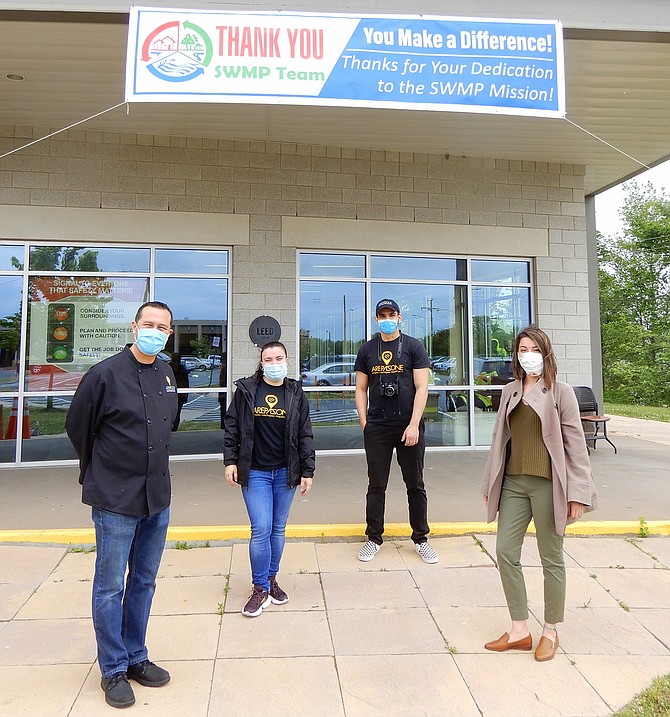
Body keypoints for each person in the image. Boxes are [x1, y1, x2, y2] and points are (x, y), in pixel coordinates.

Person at [66, 301, 178, 709]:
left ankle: (135, 656)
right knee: (110, 586)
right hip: (115, 499)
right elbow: (79, 427)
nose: (155, 330)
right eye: (148, 323)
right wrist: (101, 471)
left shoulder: (167, 373)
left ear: (169, 333)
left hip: (157, 497)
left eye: (162, 327)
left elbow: (170, 425)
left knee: (144, 581)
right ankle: (112, 668)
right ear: (134, 327)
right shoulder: (104, 374)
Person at [481, 325, 597, 662]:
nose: (527, 354)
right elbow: (499, 441)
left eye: (533, 349)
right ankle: (519, 630)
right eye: (522, 349)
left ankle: (550, 630)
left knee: (551, 558)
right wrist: (491, 483)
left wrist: (578, 493)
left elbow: (577, 447)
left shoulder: (560, 392)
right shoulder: (509, 391)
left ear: (545, 353)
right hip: (514, 484)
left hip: (549, 485)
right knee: (505, 552)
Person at [224, 341, 315, 617]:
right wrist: (230, 460)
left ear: (287, 360)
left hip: (286, 472)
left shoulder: (295, 392)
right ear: (261, 362)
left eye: (279, 358)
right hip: (256, 472)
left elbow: (305, 432)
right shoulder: (246, 390)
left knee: (277, 528)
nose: (274, 363)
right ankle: (260, 587)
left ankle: (272, 579)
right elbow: (232, 426)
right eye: (269, 358)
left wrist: (308, 470)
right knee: (261, 528)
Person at [354, 298, 438, 564]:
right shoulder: (367, 349)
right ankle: (374, 538)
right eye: (382, 315)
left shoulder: (414, 346)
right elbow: (360, 389)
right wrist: (365, 423)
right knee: (376, 484)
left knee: (415, 484)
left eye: (391, 314)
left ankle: (421, 539)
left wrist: (414, 424)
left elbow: (422, 388)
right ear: (376, 319)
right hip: (377, 427)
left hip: (408, 426)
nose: (387, 318)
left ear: (399, 318)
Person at [168, 352, 190, 431]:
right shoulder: (182, 369)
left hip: (173, 395)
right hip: (179, 395)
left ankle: (172, 429)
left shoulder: (168, 368)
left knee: (171, 413)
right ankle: (174, 429)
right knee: (176, 413)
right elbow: (186, 383)